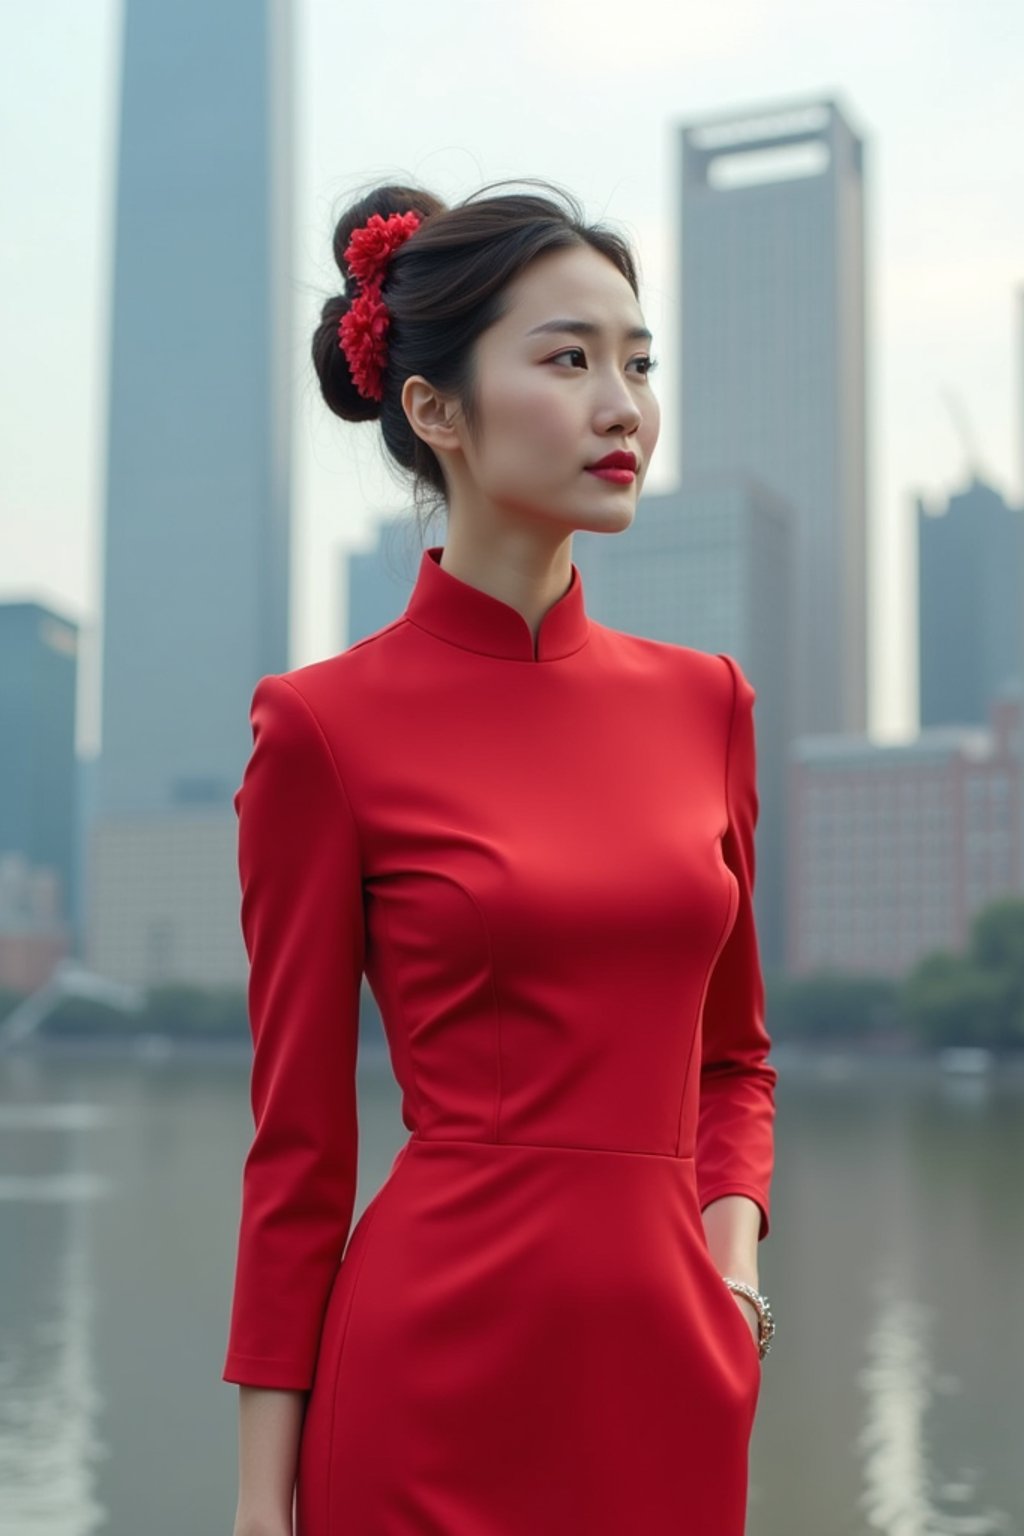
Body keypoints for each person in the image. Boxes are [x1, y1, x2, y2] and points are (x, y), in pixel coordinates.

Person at [222, 177, 777, 1536]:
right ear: (435, 413)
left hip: (673, 1376)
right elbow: (297, 1155)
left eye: (638, 363)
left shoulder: (709, 703)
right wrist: (255, 1504)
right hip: (426, 1382)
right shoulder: (322, 729)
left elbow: (733, 1058)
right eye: (568, 358)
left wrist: (731, 1269)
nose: (622, 406)